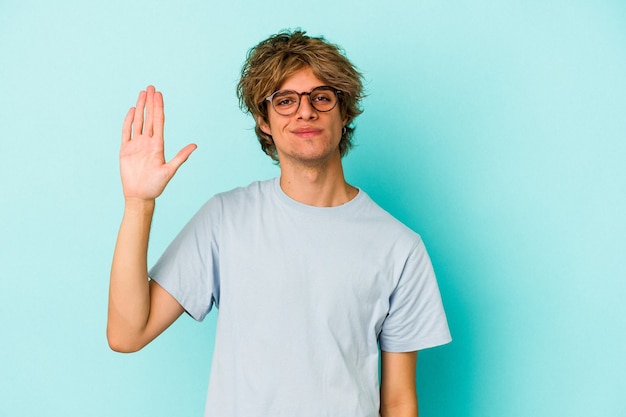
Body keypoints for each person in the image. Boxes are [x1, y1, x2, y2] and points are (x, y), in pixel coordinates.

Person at [107, 30, 451, 417]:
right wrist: (139, 203)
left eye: (321, 97)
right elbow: (127, 334)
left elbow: (399, 400)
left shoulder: (400, 247)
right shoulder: (225, 219)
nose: (306, 111)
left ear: (345, 110)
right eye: (285, 101)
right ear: (264, 121)